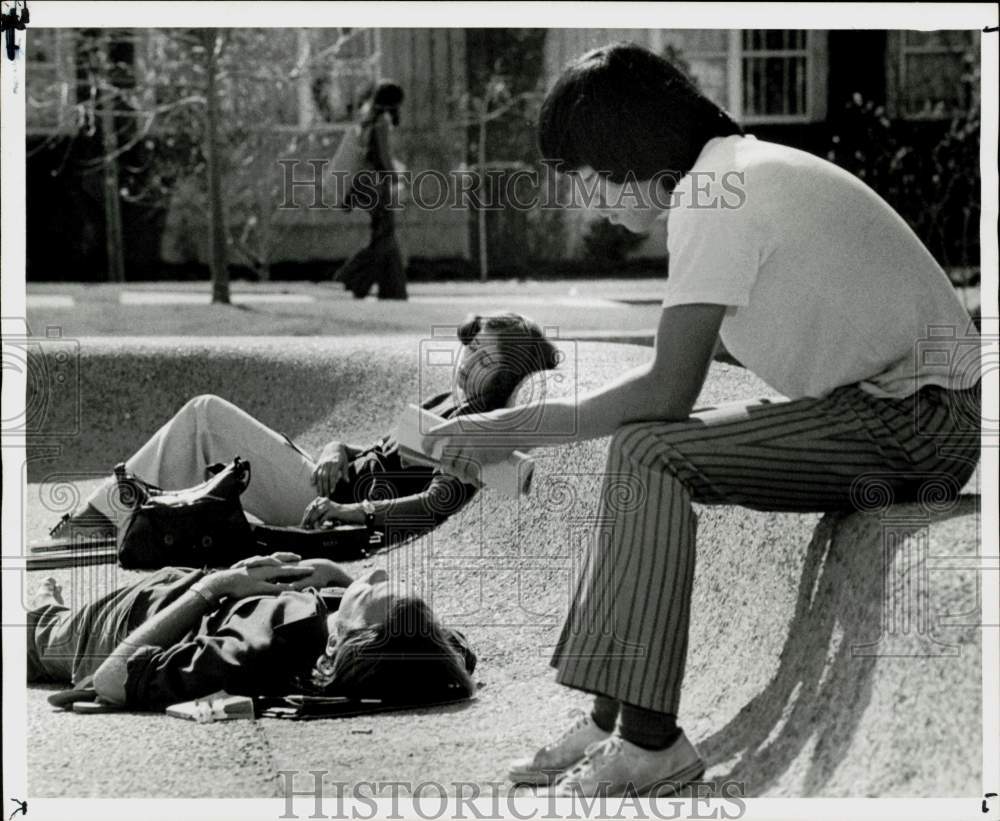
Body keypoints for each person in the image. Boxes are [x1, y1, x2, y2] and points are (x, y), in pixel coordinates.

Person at [425, 43, 982, 797]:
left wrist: (505, 430)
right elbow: (667, 380)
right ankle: (610, 718)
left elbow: (666, 392)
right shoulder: (728, 174)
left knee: (649, 449)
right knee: (640, 448)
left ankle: (650, 742)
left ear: (624, 152)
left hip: (917, 419)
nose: (587, 200)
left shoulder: (714, 195)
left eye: (582, 176)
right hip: (900, 409)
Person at [48, 312, 559, 546]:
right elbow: (372, 449)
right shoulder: (444, 402)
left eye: (486, 358)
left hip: (324, 510)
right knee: (203, 426)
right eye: (471, 347)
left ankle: (109, 515)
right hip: (319, 478)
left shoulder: (477, 430)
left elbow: (434, 505)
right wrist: (336, 448)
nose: (468, 360)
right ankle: (127, 514)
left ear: (507, 378)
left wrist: (350, 511)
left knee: (205, 415)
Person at [27, 556, 476, 711]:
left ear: (337, 646)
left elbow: (111, 678)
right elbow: (449, 653)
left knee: (29, 632)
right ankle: (48, 602)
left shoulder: (260, 649)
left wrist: (217, 584)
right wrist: (339, 578)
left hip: (120, 626)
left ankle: (45, 607)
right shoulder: (429, 651)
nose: (375, 572)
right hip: (173, 590)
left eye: (370, 590)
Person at [333, 80, 408, 300]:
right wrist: (395, 179)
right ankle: (352, 277)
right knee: (384, 236)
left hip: (365, 183)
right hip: (377, 184)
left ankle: (393, 289)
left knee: (384, 235)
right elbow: (383, 155)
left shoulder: (367, 117)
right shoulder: (382, 122)